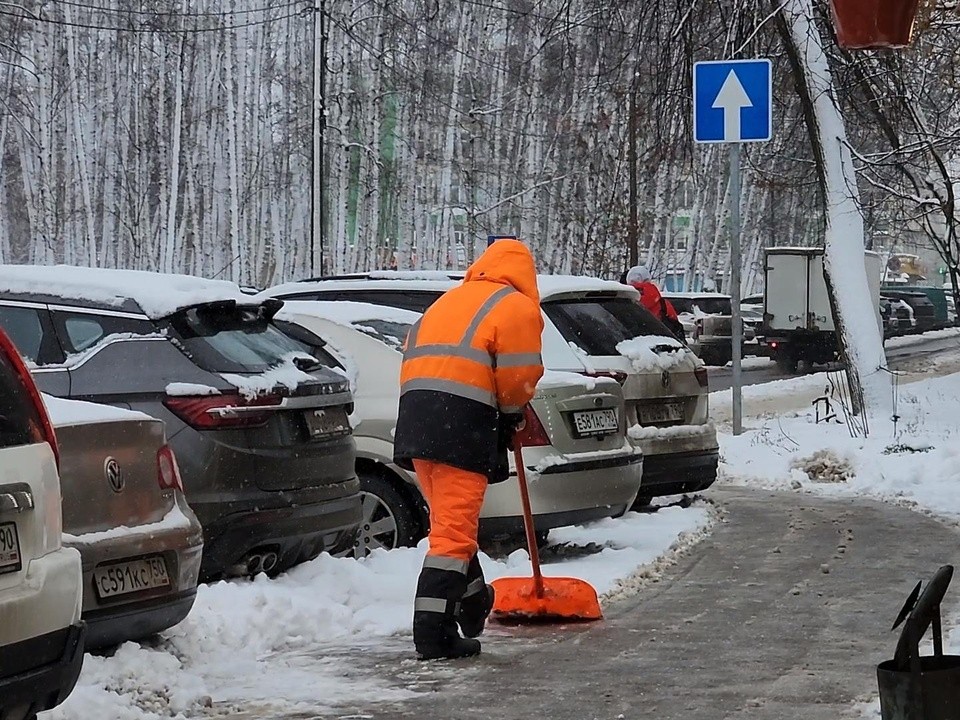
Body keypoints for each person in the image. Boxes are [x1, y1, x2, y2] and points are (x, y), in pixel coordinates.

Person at [393, 239, 545, 661]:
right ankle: (433, 636)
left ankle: (474, 600)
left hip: (417, 422)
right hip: (459, 426)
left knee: (449, 525)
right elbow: (518, 376)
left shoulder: (449, 301)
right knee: (452, 537)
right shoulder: (516, 306)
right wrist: (514, 413)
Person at [624, 265, 685, 342]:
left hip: (628, 349)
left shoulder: (620, 301)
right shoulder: (664, 304)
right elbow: (677, 329)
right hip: (660, 348)